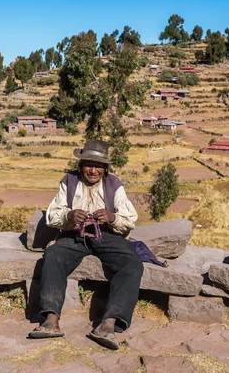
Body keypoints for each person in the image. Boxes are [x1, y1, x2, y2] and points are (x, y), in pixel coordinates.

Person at [28, 139, 143, 350]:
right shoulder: (68, 181)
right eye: (89, 164)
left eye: (98, 166)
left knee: (132, 264)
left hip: (106, 236)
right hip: (74, 235)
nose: (93, 170)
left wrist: (111, 217)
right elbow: (53, 215)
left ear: (105, 168)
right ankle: (51, 320)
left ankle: (108, 324)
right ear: (80, 166)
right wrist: (70, 215)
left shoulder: (114, 184)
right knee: (54, 256)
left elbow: (130, 218)